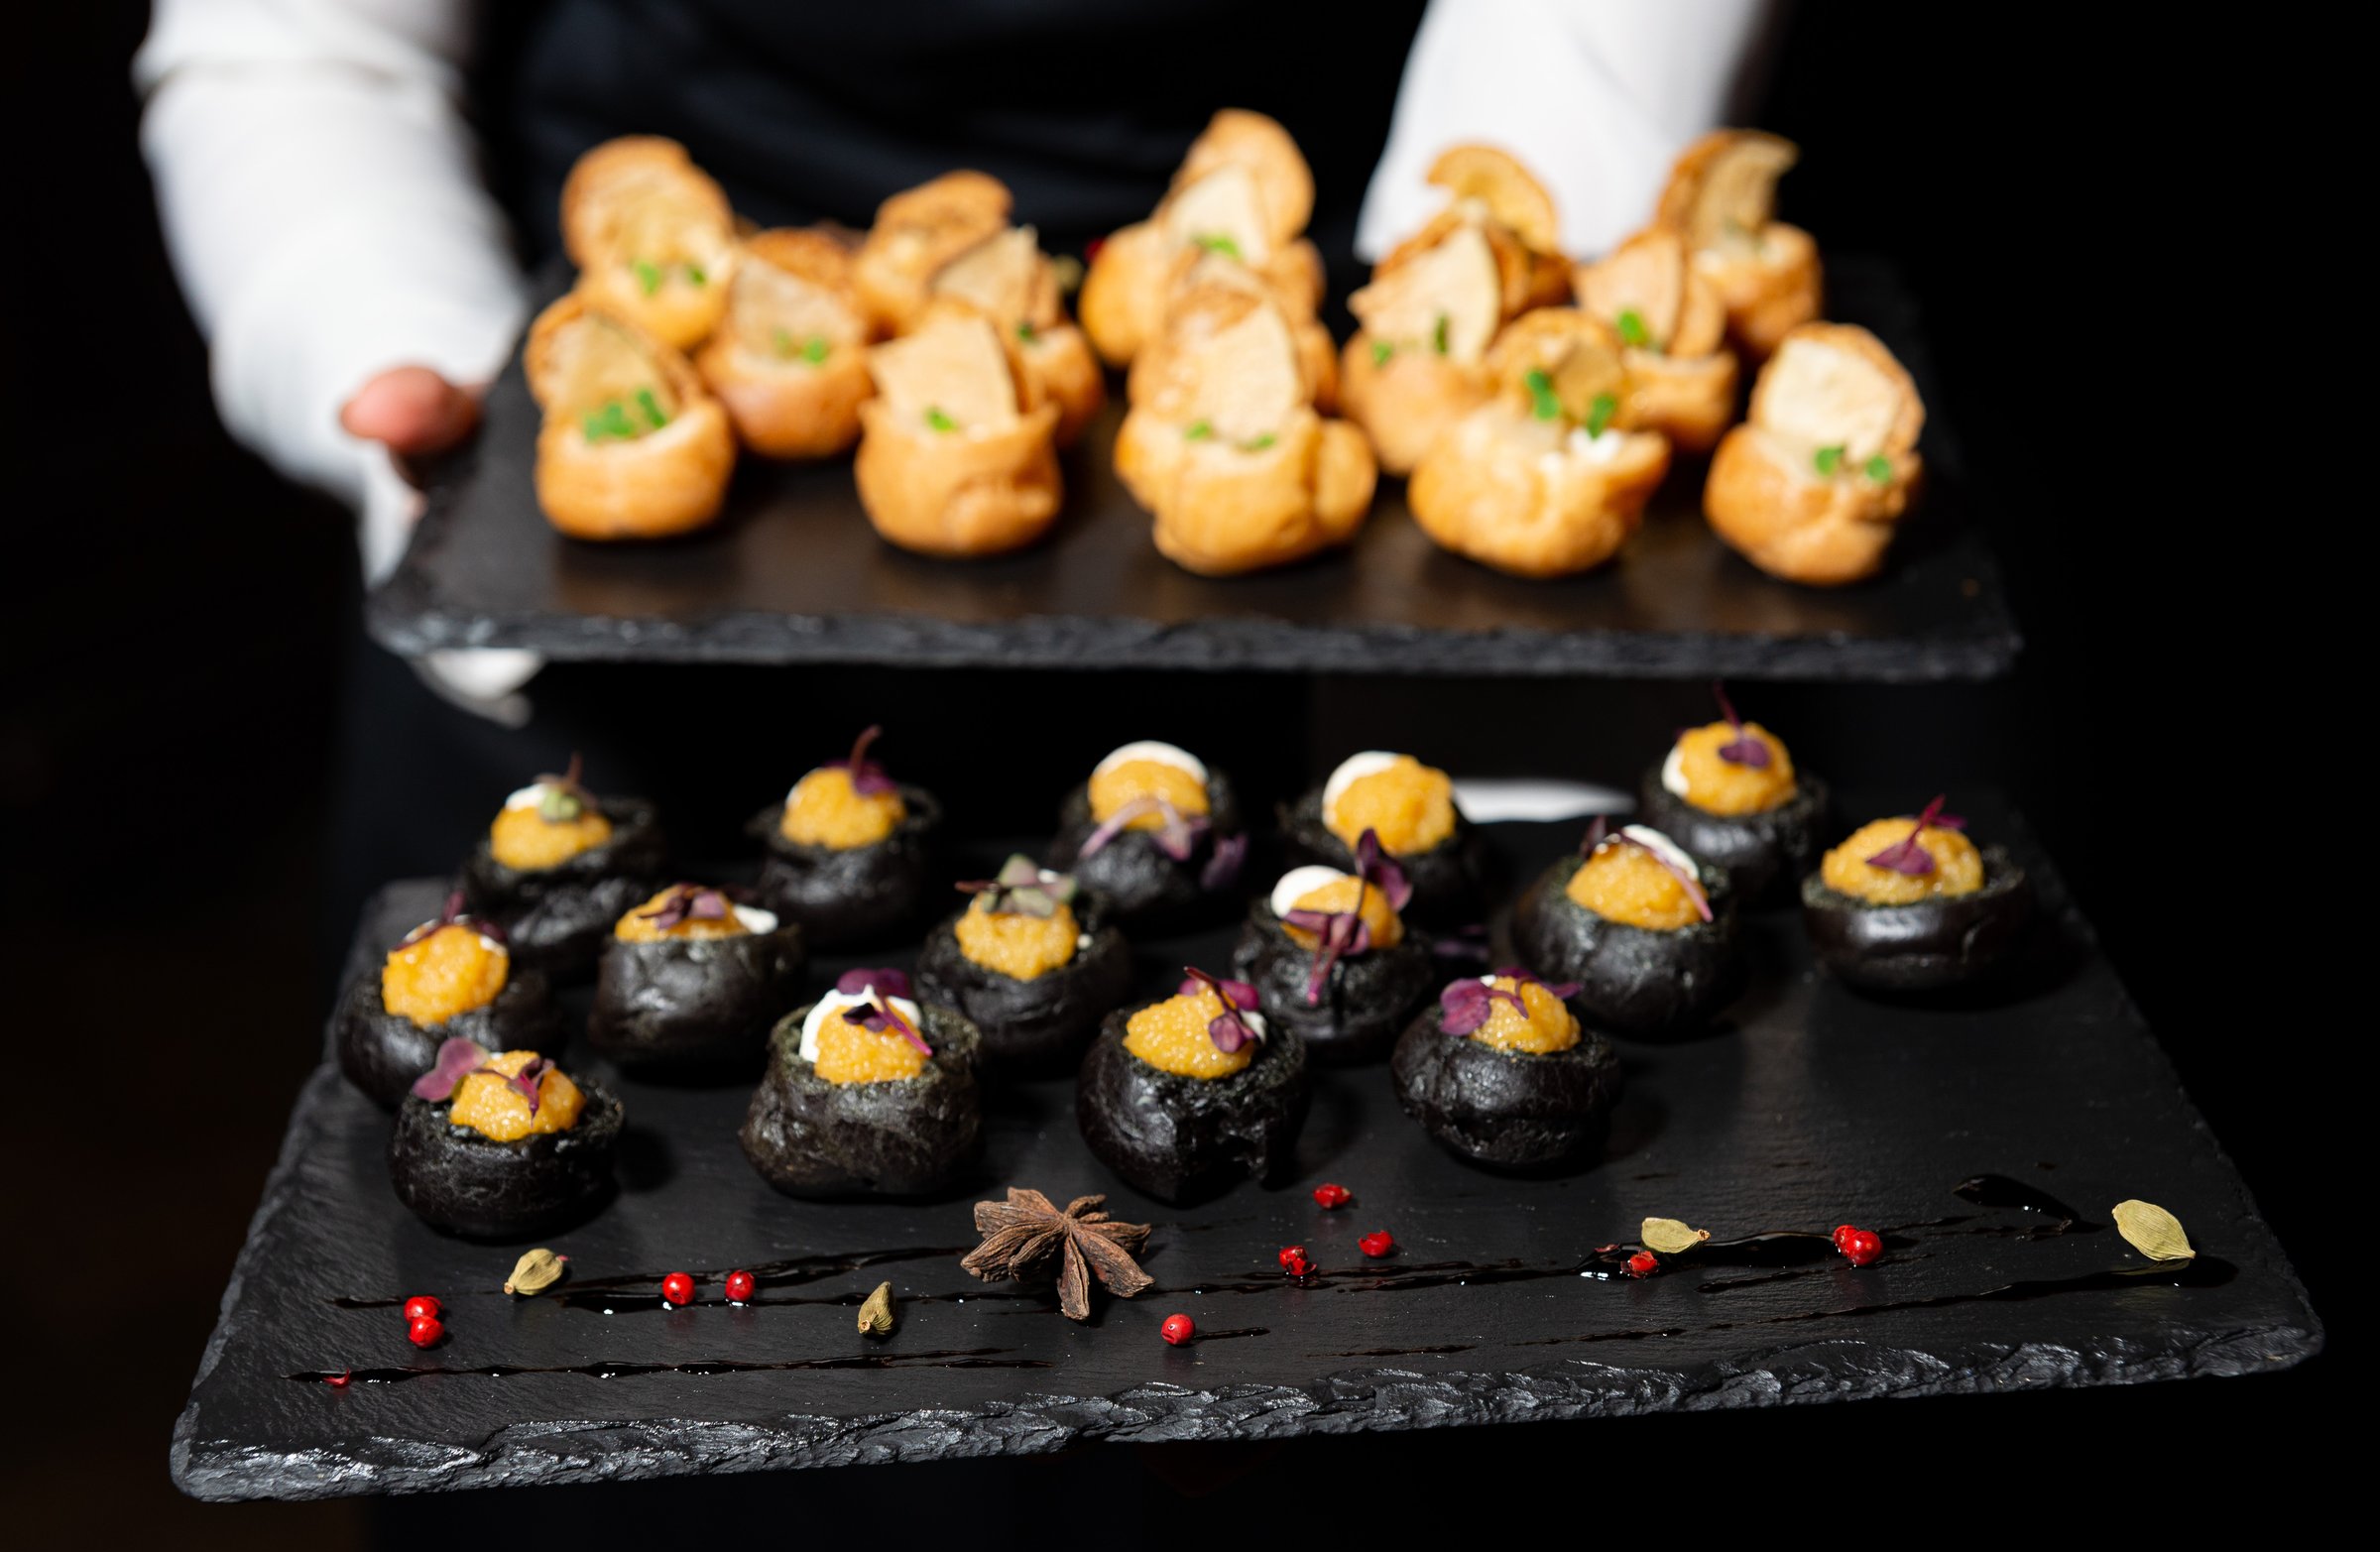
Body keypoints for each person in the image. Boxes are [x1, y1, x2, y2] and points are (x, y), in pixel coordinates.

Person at [135, 0, 1774, 935]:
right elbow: (292, 49)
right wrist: (408, 371)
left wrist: (1496, 365)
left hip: (1305, 474)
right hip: (604, 660)